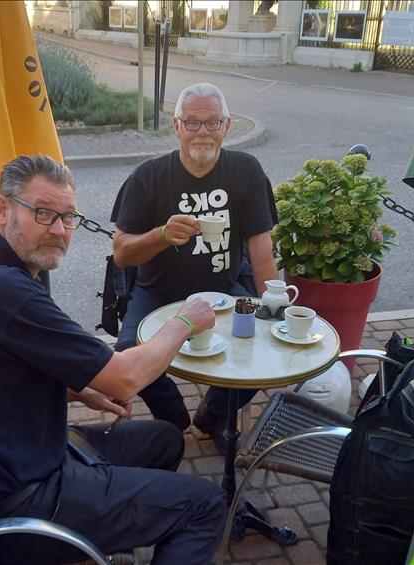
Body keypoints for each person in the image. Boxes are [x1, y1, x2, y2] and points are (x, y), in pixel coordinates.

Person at [0, 155, 227, 564]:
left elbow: (2, 375)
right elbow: (125, 379)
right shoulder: (3, 290)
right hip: (17, 505)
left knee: (165, 439)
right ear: (3, 209)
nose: (58, 230)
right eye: (44, 213)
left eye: (68, 217)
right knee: (205, 504)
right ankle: (106, 529)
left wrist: (80, 390)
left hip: (18, 461)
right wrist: (184, 321)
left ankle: (116, 530)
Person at [112, 82, 279, 454]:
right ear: (177, 127)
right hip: (157, 293)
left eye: (211, 122)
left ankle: (214, 415)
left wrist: (275, 306)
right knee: (126, 353)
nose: (202, 131)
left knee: (264, 351)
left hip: (224, 290)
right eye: (192, 122)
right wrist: (162, 234)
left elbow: (261, 250)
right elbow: (122, 253)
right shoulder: (149, 176)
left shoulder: (246, 170)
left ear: (226, 126)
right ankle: (172, 418)